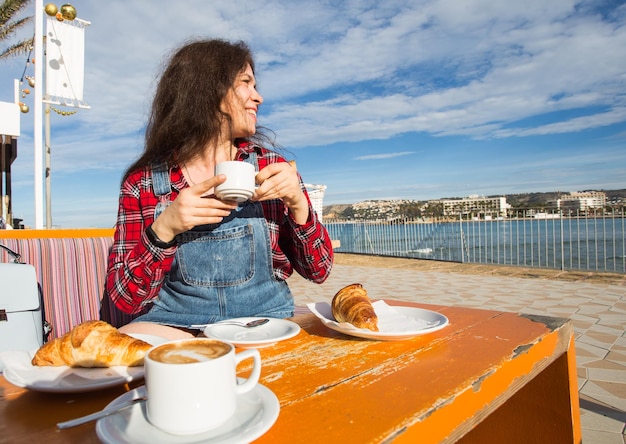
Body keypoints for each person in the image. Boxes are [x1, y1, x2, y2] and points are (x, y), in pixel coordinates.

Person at [101, 38, 334, 329]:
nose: (258, 97)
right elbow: (125, 299)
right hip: (176, 328)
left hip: (263, 325)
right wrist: (164, 229)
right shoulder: (143, 183)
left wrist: (299, 204)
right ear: (209, 91)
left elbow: (320, 271)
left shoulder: (271, 170)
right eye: (246, 82)